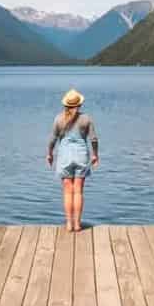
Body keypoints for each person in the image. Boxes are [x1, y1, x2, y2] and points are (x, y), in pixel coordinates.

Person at [46, 87, 99, 232]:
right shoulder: (86, 118)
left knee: (67, 191)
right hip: (81, 155)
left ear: (65, 104)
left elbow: (52, 139)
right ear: (79, 104)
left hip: (64, 156)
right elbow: (93, 139)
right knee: (78, 191)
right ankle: (77, 224)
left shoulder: (58, 118)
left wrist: (49, 153)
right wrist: (95, 155)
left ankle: (69, 224)